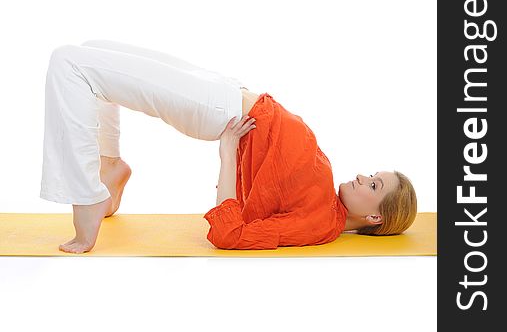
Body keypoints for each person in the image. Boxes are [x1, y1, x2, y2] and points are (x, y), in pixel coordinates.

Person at [39, 39, 417, 254]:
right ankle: (111, 168)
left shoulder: (319, 224)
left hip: (216, 109)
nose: (361, 177)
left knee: (70, 63)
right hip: (226, 92)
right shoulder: (326, 206)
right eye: (371, 175)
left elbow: (230, 234)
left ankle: (88, 197)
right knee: (94, 50)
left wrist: (228, 151)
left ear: (375, 218)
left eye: (373, 185)